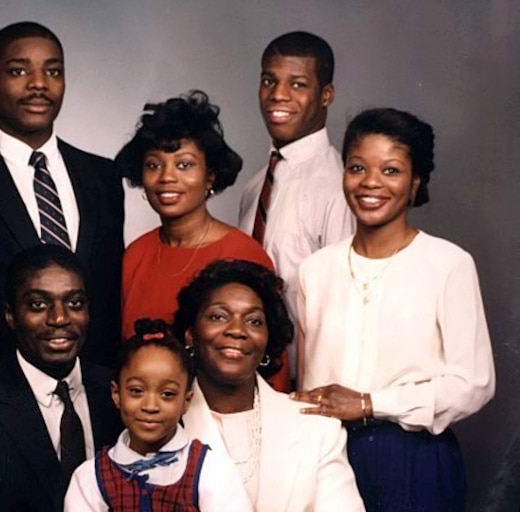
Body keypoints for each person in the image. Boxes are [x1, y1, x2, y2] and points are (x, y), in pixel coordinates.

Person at [294, 108, 495, 511]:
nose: (370, 182)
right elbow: (308, 382)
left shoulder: (449, 263)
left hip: (414, 457)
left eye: (391, 170)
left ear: (415, 180)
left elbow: (475, 384)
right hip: (327, 455)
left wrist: (370, 403)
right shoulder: (315, 270)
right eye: (357, 167)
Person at [0, 21, 124, 366]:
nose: (38, 84)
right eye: (18, 71)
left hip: (95, 391)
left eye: (53, 71)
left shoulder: (102, 176)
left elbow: (107, 300)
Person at [0, 244, 122, 512]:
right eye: (38, 304)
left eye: (74, 303)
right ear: (11, 314)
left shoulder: (118, 392)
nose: (60, 318)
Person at [116, 90, 289, 391]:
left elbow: (274, 363)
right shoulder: (136, 255)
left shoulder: (242, 253)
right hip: (149, 424)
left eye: (184, 165)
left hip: (228, 423)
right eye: (154, 165)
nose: (166, 177)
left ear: (210, 176)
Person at [177, 259, 364, 512]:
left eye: (253, 321)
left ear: (267, 340)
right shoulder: (162, 422)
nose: (237, 330)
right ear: (190, 335)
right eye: (218, 316)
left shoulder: (317, 428)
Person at [238, 31, 354, 384]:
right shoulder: (255, 187)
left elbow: (342, 312)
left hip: (305, 387)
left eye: (298, 84)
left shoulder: (339, 187)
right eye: (269, 80)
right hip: (249, 383)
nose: (278, 95)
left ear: (326, 95)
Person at [65, 319, 253, 512]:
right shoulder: (92, 478)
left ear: (186, 400)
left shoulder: (211, 470)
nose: (150, 406)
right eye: (137, 391)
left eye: (167, 394)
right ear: (116, 393)